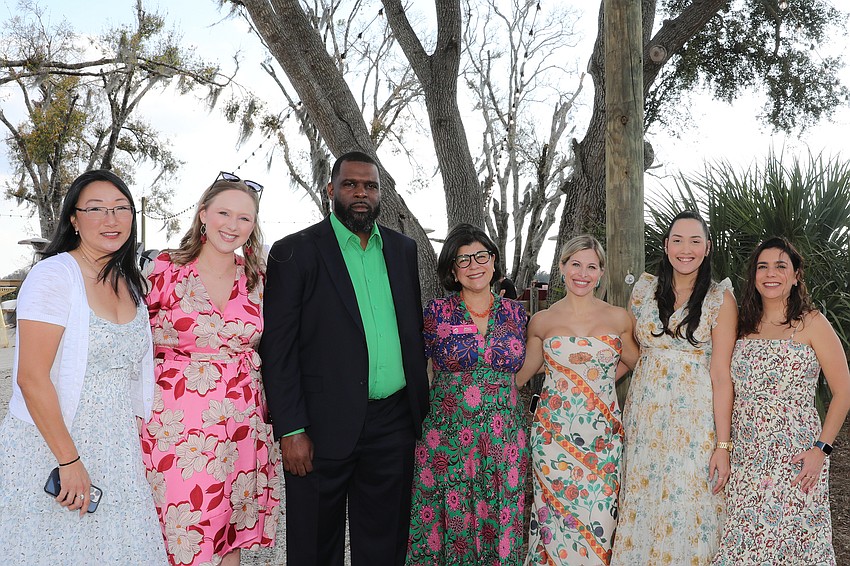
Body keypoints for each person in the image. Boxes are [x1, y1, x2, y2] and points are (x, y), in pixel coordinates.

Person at [260, 151, 430, 565]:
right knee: (315, 543)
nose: (361, 193)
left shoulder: (402, 250)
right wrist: (291, 429)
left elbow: (409, 330)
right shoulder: (293, 252)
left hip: (393, 423)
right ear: (330, 190)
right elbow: (277, 349)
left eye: (370, 186)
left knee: (385, 543)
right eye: (351, 184)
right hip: (319, 427)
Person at [0, 169, 166, 563]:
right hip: (55, 442)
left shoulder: (130, 282)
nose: (111, 220)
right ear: (73, 219)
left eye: (120, 208)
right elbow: (31, 377)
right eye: (96, 209)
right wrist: (69, 460)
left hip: (117, 446)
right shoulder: (53, 276)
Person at [140, 172, 279, 565]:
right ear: (203, 214)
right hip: (176, 426)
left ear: (253, 226)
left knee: (228, 532)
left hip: (241, 422)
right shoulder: (164, 270)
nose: (232, 226)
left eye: (244, 218)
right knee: (184, 529)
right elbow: (133, 344)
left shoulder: (258, 278)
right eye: (223, 213)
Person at [711, 237, 850, 565]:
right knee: (746, 546)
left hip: (798, 461)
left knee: (797, 545)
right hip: (748, 461)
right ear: (754, 276)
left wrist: (821, 450)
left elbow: (844, 392)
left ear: (796, 275)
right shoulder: (742, 326)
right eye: (763, 266)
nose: (770, 273)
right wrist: (725, 448)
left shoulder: (812, 323)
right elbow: (724, 384)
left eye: (780, 266)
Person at [611, 210, 737, 565]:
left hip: (694, 426)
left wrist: (722, 445)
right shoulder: (644, 291)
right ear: (666, 246)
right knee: (643, 500)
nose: (686, 249)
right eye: (678, 240)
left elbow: (721, 375)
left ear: (707, 247)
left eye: (695, 241)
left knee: (688, 505)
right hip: (645, 420)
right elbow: (630, 354)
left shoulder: (719, 299)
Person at [406, 223, 529, 565]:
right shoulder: (434, 313)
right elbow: (416, 369)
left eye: (481, 256)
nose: (474, 265)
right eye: (463, 260)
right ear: (452, 270)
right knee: (449, 523)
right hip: (447, 441)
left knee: (501, 517)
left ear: (493, 261)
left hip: (504, 441)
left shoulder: (518, 315)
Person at [516, 235, 638, 566]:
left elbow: (636, 362)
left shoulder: (619, 319)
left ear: (600, 273)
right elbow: (522, 375)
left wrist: (592, 384)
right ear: (562, 268)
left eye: (591, 266)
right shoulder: (541, 322)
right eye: (575, 264)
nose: (582, 273)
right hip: (553, 441)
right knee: (555, 526)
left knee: (601, 522)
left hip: (603, 441)